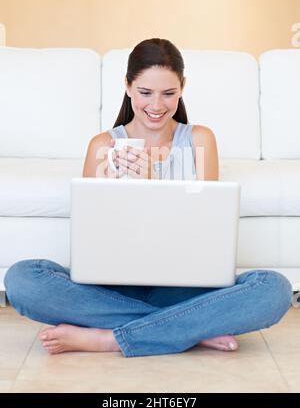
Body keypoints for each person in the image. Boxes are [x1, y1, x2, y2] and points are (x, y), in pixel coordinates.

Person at [4, 38, 292, 358]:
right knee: (22, 279)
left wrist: (155, 182)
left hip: (183, 285)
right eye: (145, 93)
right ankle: (188, 329)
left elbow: (208, 231)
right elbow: (92, 240)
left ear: (182, 87)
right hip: (114, 286)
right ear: (127, 87)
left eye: (168, 93)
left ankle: (110, 338)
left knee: (274, 290)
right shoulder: (103, 146)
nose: (156, 106)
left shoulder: (200, 140)